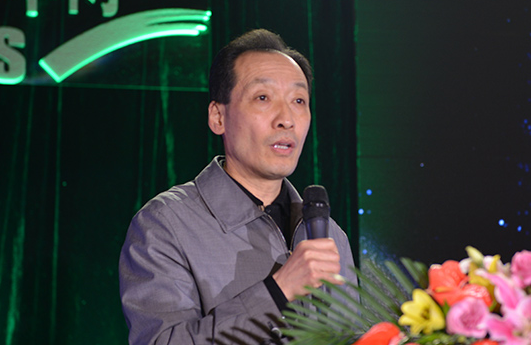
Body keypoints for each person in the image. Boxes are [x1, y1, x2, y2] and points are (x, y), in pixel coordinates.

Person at [118, 29, 358, 344]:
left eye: (299, 100)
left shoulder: (329, 235)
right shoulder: (165, 224)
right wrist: (277, 292)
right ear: (218, 117)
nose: (286, 119)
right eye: (263, 98)